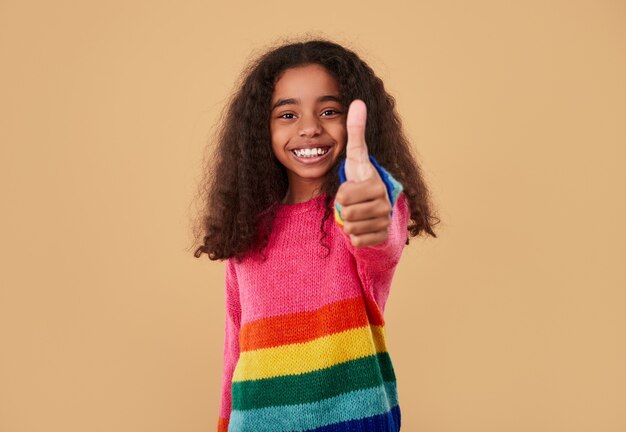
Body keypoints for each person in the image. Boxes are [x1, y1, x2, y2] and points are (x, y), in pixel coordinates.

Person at [192, 38, 439, 432]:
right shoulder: (248, 230)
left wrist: (369, 205)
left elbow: (380, 238)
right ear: (261, 130)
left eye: (329, 111)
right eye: (287, 115)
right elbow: (234, 350)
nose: (309, 128)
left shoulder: (359, 208)